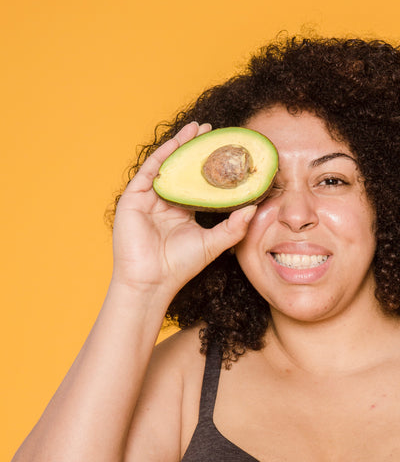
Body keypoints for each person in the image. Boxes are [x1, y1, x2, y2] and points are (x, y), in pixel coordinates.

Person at [12, 35, 400, 461]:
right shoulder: (183, 379)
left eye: (331, 181)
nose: (295, 214)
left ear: (385, 200)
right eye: (266, 188)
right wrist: (139, 287)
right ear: (223, 209)